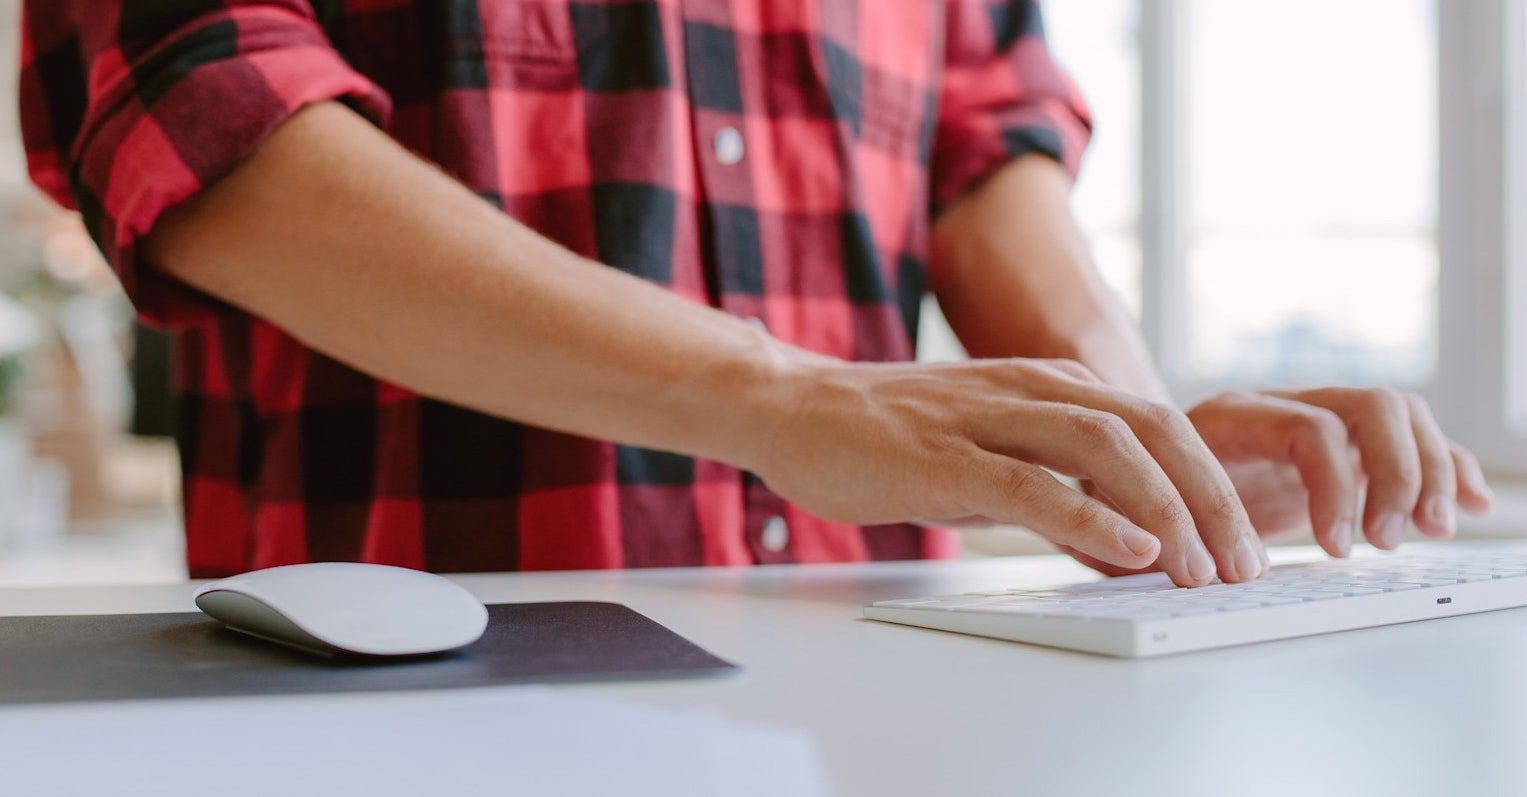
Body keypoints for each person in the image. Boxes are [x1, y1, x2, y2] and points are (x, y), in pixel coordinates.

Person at [18, 0, 1492, 586]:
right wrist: (785, 399)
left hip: (878, 699)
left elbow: (987, 142)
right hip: (425, 706)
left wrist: (1140, 438)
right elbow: (195, 119)